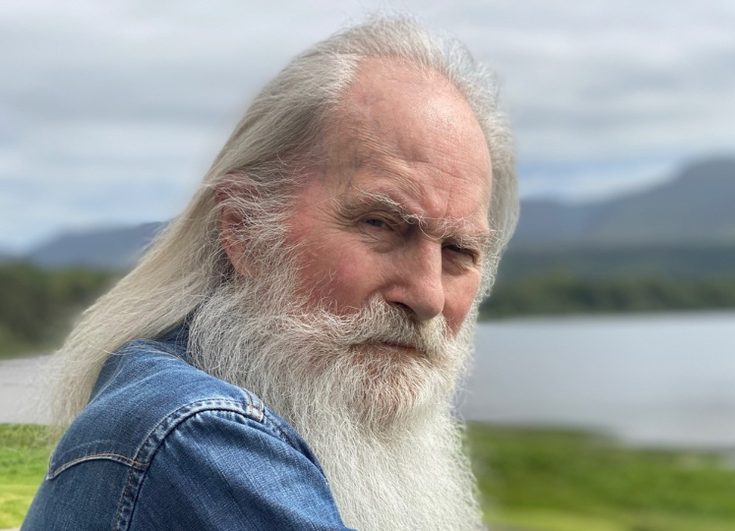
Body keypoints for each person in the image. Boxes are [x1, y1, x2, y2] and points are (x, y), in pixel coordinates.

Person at [23, 17, 518, 530]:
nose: (428, 296)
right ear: (244, 231)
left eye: (459, 249)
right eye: (381, 223)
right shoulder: (199, 437)